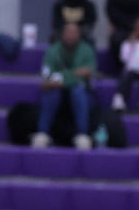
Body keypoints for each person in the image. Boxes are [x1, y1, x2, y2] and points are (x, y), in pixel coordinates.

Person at [34, 21, 96, 149]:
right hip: (56, 93)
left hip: (80, 94)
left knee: (78, 92)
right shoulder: (52, 51)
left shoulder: (87, 50)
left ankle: (82, 135)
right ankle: (42, 134)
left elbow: (88, 73)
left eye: (74, 33)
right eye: (68, 32)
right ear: (62, 34)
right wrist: (74, 75)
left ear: (79, 35)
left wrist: (62, 77)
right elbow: (45, 83)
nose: (70, 36)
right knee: (52, 93)